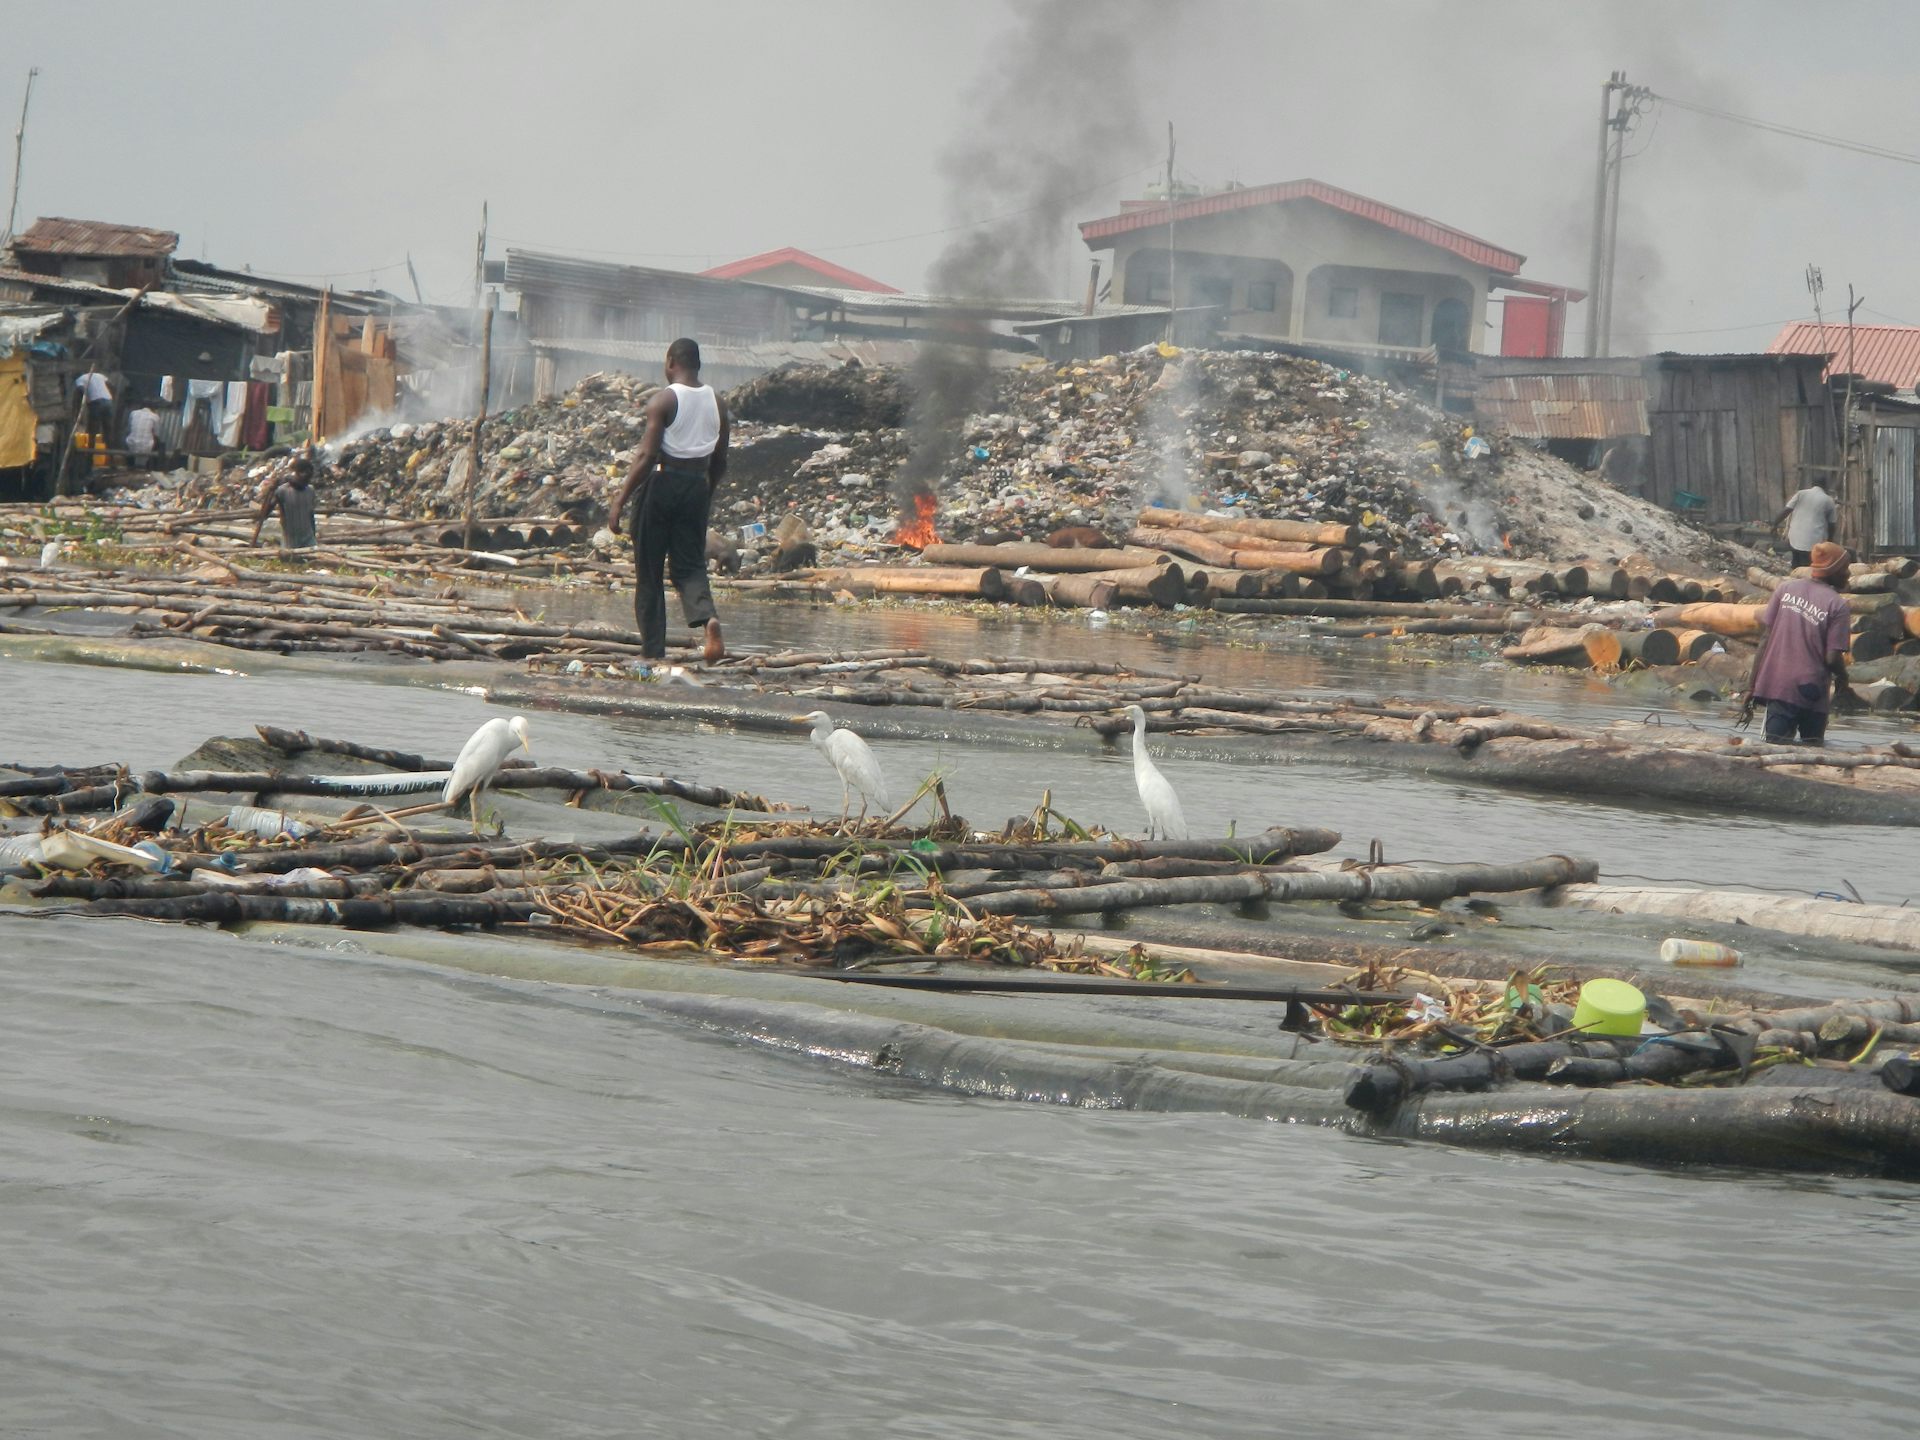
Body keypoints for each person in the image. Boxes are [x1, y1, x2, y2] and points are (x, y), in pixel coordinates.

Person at [607, 337, 728, 663]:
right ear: (697, 363)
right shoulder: (717, 402)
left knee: (649, 574)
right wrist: (706, 495)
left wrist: (620, 501)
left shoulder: (664, 401)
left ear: (671, 362)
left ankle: (653, 656)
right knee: (689, 566)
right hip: (696, 486)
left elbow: (646, 456)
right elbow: (720, 462)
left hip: (661, 483)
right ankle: (709, 620)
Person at [1740, 540, 1856, 746]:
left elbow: (1765, 639)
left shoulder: (1784, 590)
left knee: (1774, 750)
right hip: (1813, 691)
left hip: (1779, 685)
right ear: (1834, 570)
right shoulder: (1837, 605)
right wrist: (1843, 677)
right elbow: (1831, 658)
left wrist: (1751, 686)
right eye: (1844, 569)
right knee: (1813, 752)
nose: (1848, 574)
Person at [251, 457, 319, 551]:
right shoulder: (282, 491)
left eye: (309, 476)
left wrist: (314, 534)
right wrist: (270, 492)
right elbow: (265, 513)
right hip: (291, 541)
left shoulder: (310, 490)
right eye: (305, 474)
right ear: (297, 473)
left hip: (309, 539)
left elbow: (310, 514)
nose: (307, 479)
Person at [1774, 481, 1838, 569]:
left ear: (1812, 484)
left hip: (1794, 540)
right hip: (1813, 544)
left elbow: (1786, 511)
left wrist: (1774, 524)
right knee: (1809, 570)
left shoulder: (1801, 493)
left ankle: (1794, 579)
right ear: (1826, 486)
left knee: (1796, 567)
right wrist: (1829, 542)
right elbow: (1832, 525)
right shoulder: (1828, 500)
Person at [73, 367, 113, 450]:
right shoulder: (98, 375)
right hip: (108, 400)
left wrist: (86, 398)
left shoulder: (79, 379)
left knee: (93, 428)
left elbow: (81, 390)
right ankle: (109, 449)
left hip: (96, 402)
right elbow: (110, 384)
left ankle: (90, 451)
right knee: (107, 428)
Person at [124, 398, 161, 470]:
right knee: (157, 442)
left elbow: (128, 430)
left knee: (128, 437)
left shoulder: (133, 413)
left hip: (131, 444)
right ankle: (150, 468)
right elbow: (157, 435)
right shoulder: (155, 417)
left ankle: (129, 464)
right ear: (153, 408)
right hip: (146, 446)